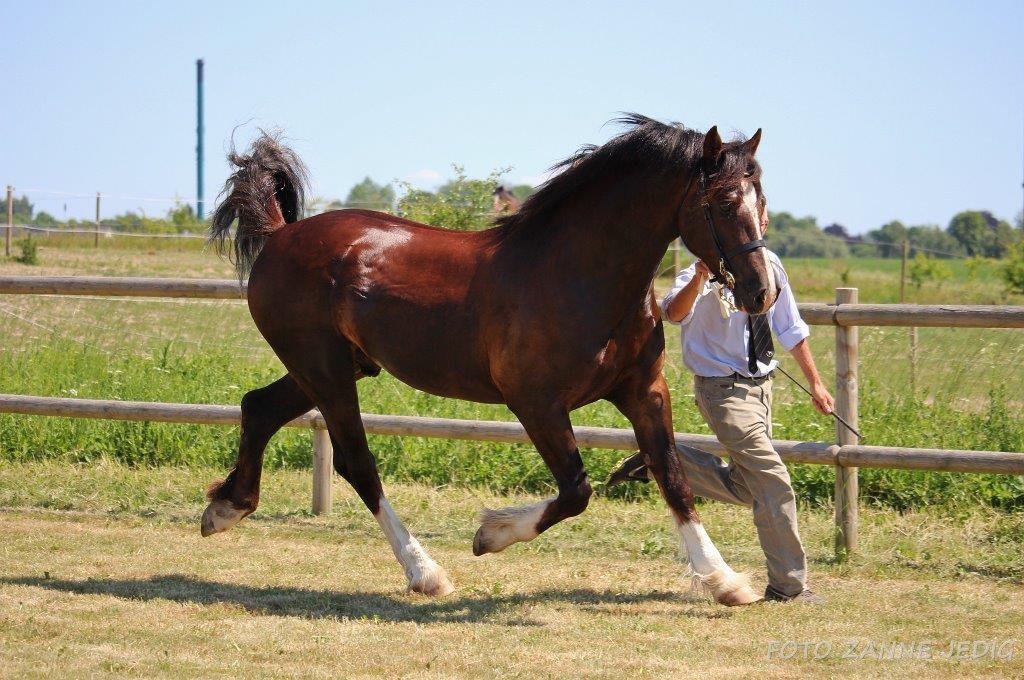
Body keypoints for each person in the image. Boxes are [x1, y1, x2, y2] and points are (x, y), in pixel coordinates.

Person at [608, 248, 833, 604]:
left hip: (762, 388)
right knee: (773, 484)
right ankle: (789, 587)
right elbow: (672, 312)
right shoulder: (698, 272)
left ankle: (661, 461)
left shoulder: (769, 264)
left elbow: (789, 326)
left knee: (748, 487)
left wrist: (816, 383)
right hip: (722, 392)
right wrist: (699, 277)